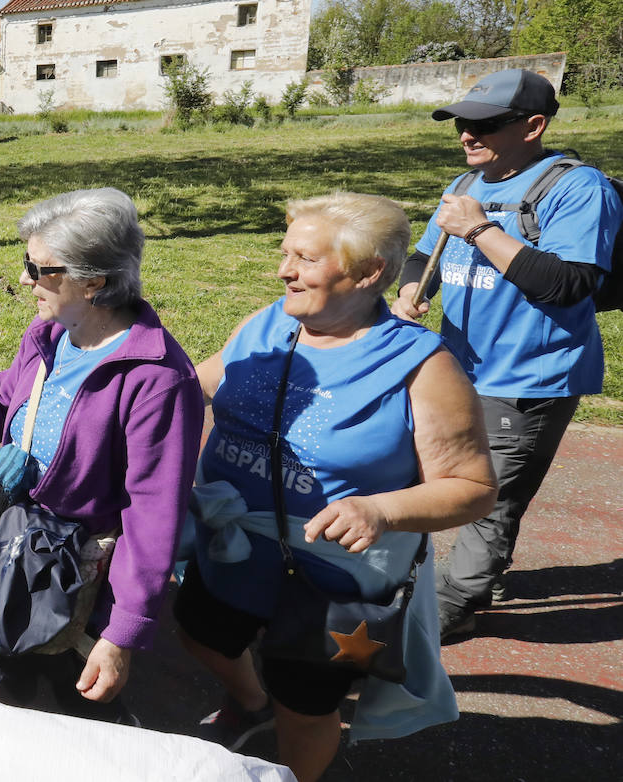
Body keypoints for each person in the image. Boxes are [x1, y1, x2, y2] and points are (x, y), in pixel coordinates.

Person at [175, 192, 496, 781]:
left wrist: (381, 509)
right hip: (232, 550)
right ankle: (250, 703)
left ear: (369, 272)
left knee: (305, 706)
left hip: (331, 580)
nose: (283, 271)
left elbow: (473, 486)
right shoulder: (268, 322)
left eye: (305, 259)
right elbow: (195, 386)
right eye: (284, 253)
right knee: (203, 638)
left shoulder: (421, 365)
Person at [0, 188, 204, 720]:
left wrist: (119, 634)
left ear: (95, 280)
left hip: (83, 571)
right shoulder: (50, 333)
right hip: (18, 541)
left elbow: (153, 516)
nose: (25, 279)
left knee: (80, 699)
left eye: (40, 268)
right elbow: (6, 405)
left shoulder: (157, 380)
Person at [390, 69, 622, 639]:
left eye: (485, 125)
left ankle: (454, 604)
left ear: (534, 126)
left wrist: (479, 232)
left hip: (530, 377)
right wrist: (407, 291)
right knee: (438, 475)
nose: (468, 135)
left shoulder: (578, 189)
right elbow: (425, 256)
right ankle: (474, 579)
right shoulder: (466, 185)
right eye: (463, 124)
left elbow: (570, 284)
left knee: (489, 498)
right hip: (456, 369)